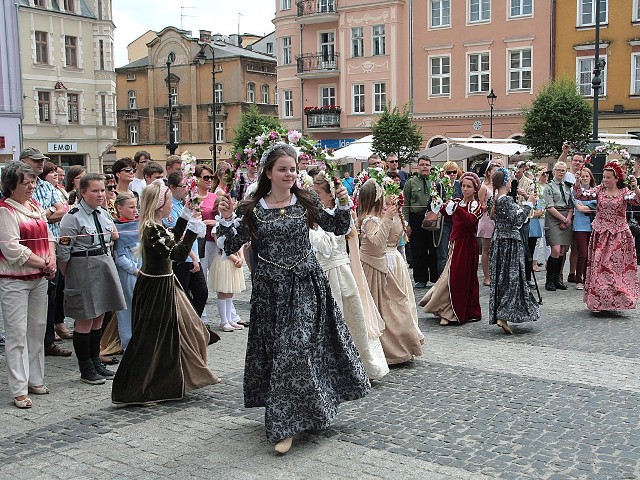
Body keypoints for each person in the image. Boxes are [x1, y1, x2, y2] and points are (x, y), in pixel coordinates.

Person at [216, 143, 370, 454]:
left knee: (298, 347)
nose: (289, 174)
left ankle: (297, 419)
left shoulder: (306, 200)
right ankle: (288, 421)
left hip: (306, 285)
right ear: (268, 173)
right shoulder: (253, 208)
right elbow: (231, 243)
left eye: (293, 168)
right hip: (271, 292)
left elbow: (338, 227)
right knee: (282, 353)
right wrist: (228, 217)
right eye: (283, 169)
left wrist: (342, 204)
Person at [112, 180, 219, 405]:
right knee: (154, 339)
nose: (172, 205)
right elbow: (176, 254)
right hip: (156, 290)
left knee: (188, 328)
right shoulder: (151, 228)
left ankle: (181, 377)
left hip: (164, 284)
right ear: (161, 205)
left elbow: (170, 236)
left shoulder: (157, 225)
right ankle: (141, 388)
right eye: (170, 202)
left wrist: (185, 216)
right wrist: (191, 232)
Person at [310, 174, 389, 380]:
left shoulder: (339, 218)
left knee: (349, 319)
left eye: (318, 193)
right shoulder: (312, 217)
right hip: (319, 274)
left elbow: (339, 247)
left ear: (330, 196)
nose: (314, 197)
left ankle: (355, 365)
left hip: (339, 273)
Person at [57, 173, 127, 384]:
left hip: (103, 264)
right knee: (85, 318)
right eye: (95, 191)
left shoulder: (104, 213)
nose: (100, 194)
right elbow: (63, 250)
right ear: (83, 192)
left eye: (102, 190)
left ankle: (96, 360)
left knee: (100, 316)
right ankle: (85, 367)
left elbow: (112, 237)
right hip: (82, 267)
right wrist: (69, 274)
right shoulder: (73, 216)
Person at [0, 162, 57, 408]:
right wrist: (42, 263)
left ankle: (35, 379)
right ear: (11, 186)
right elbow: (11, 248)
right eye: (26, 182)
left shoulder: (34, 206)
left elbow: (49, 236)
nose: (32, 186)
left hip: (38, 279)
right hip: (15, 280)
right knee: (17, 334)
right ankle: (18, 388)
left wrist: (51, 258)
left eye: (33, 181)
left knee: (37, 329)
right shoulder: (5, 210)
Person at [358, 179, 424, 364]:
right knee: (381, 309)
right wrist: (387, 218)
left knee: (395, 305)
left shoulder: (375, 218)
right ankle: (386, 349)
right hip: (371, 268)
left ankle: (400, 346)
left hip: (380, 265)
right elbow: (378, 241)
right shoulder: (368, 220)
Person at [20, 148, 71, 357]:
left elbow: (63, 210)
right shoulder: (17, 186)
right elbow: (27, 216)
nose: (41, 163)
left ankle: (47, 339)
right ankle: (30, 340)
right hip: (29, 249)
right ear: (23, 161)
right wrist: (46, 213)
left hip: (53, 245)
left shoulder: (47, 186)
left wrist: (42, 214)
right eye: (36, 160)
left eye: (42, 160)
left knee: (52, 293)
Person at [573, 162, 640, 312]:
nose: (605, 180)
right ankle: (598, 302)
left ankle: (617, 300)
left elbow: (637, 200)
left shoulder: (624, 192)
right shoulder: (599, 191)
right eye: (603, 177)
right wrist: (577, 181)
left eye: (608, 177)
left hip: (619, 235)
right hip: (601, 234)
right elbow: (580, 195)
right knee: (599, 266)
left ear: (616, 179)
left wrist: (635, 186)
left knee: (613, 268)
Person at [420, 172, 483, 325]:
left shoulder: (477, 206)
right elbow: (448, 216)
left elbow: (470, 221)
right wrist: (439, 205)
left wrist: (455, 208)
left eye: (469, 186)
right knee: (451, 276)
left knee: (461, 278)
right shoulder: (457, 201)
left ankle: (457, 312)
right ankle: (446, 309)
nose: (465, 189)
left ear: (475, 189)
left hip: (467, 245)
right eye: (463, 186)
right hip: (455, 244)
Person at [489, 167, 539, 334]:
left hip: (500, 242)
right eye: (509, 180)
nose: (511, 183)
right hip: (509, 244)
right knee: (512, 279)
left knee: (503, 278)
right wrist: (529, 203)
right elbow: (517, 220)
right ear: (505, 183)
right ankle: (503, 314)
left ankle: (501, 313)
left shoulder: (495, 199)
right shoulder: (505, 201)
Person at [164, 172, 209, 319]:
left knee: (202, 293)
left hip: (192, 254)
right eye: (183, 186)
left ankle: (193, 324)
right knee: (184, 297)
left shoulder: (185, 203)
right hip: (183, 258)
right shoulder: (170, 207)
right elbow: (179, 236)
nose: (186, 189)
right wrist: (194, 258)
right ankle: (186, 327)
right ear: (172, 187)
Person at [209, 197, 246, 332]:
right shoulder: (217, 227)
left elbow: (239, 242)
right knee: (223, 291)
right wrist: (233, 258)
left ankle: (230, 318)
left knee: (230, 292)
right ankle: (223, 320)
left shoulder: (235, 223)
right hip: (224, 260)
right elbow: (221, 245)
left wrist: (240, 257)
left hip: (235, 259)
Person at [402, 154, 438, 288]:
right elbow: (405, 203)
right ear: (418, 166)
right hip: (416, 218)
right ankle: (421, 279)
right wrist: (407, 223)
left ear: (430, 167)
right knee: (418, 249)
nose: (425, 167)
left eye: (427, 165)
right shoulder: (411, 182)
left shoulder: (435, 181)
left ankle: (435, 278)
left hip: (431, 217)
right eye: (422, 164)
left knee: (433, 248)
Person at [112, 193, 140, 350]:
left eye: (136, 207)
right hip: (128, 273)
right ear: (119, 208)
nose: (135, 210)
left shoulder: (138, 224)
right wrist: (135, 270)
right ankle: (128, 344)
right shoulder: (116, 227)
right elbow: (119, 257)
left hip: (142, 270)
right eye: (131, 207)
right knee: (126, 309)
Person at [543, 161, 574, 291]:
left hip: (566, 215)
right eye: (559, 170)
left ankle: (556, 279)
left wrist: (568, 219)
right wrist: (563, 219)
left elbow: (571, 205)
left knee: (562, 251)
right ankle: (549, 280)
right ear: (554, 171)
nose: (561, 172)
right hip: (554, 217)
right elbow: (549, 207)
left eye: (564, 170)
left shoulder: (568, 187)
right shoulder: (549, 187)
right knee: (555, 250)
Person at [436, 161, 463, 276]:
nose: (452, 175)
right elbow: (432, 204)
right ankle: (443, 279)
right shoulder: (440, 185)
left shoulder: (460, 185)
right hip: (444, 222)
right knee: (443, 252)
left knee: (457, 251)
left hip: (457, 222)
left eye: (454, 172)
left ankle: (455, 276)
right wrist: (442, 203)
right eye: (449, 172)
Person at [572, 168, 596, 291]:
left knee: (592, 254)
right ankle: (579, 279)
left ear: (590, 177)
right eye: (583, 176)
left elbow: (598, 207)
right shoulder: (576, 191)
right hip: (580, 225)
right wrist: (591, 207)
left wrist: (586, 206)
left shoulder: (596, 191)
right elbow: (579, 208)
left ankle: (588, 278)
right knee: (582, 253)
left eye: (587, 176)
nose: (585, 178)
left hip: (593, 225)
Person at [477, 162, 499, 286]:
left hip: (497, 220)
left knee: (496, 249)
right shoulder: (484, 187)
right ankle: (487, 276)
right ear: (489, 172)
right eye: (494, 170)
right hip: (487, 220)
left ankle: (495, 273)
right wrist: (488, 205)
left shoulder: (499, 186)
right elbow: (480, 206)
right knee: (486, 249)